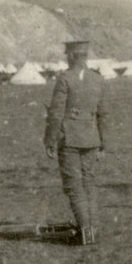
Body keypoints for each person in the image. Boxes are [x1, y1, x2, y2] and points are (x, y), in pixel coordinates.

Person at [44, 40, 109, 245]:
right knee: (89, 183)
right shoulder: (98, 79)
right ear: (86, 56)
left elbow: (56, 112)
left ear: (71, 56)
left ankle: (85, 231)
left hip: (70, 138)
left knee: (74, 186)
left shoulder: (65, 78)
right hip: (91, 138)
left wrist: (50, 139)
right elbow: (104, 114)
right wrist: (103, 143)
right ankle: (93, 230)